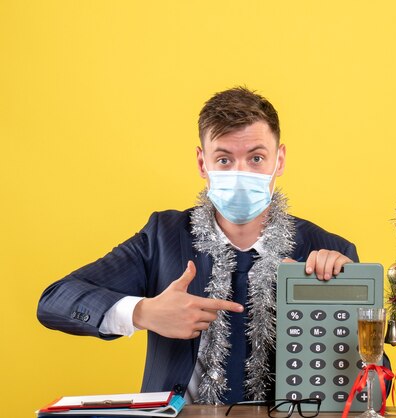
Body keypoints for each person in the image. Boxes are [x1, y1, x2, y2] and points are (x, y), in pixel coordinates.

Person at [37, 87, 358, 405]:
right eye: (224, 159)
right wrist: (143, 312)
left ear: (280, 159)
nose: (240, 172)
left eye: (256, 158)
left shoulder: (326, 251)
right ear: (202, 163)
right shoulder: (164, 237)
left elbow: (372, 383)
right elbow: (55, 300)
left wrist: (336, 300)